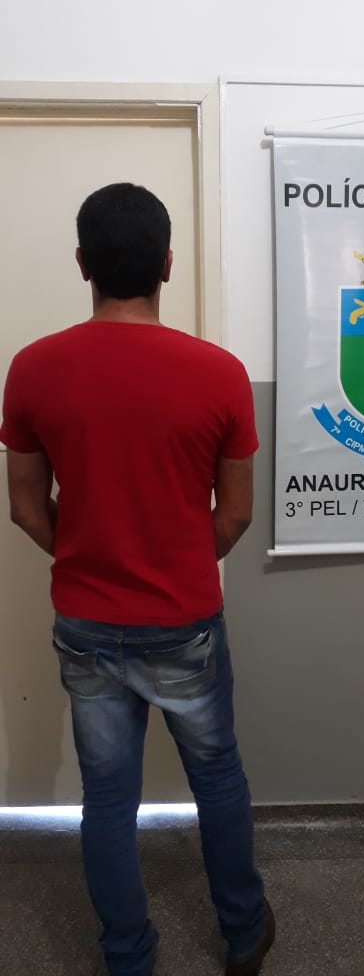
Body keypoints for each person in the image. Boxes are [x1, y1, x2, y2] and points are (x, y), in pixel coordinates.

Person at [0, 183, 275, 976]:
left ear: (82, 263)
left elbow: (25, 507)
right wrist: (174, 561)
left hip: (86, 621)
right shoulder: (219, 372)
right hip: (184, 619)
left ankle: (127, 955)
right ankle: (243, 933)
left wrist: (92, 556)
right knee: (216, 778)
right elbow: (236, 513)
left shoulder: (32, 368)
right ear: (166, 264)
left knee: (108, 799)